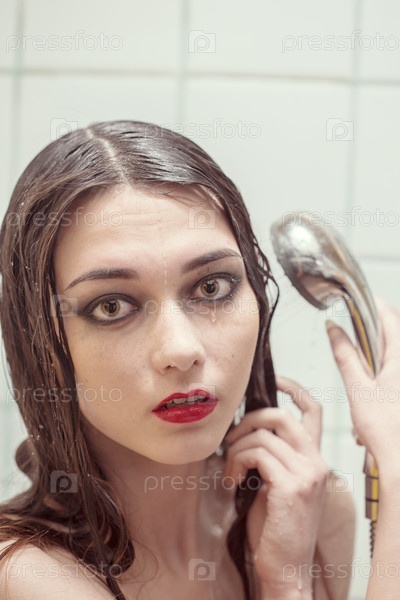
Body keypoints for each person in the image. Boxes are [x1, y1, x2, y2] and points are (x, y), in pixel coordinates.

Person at [0, 119, 370, 600]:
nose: (180, 349)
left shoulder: (310, 510)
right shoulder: (26, 575)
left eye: (211, 287)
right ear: (43, 341)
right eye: (111, 306)